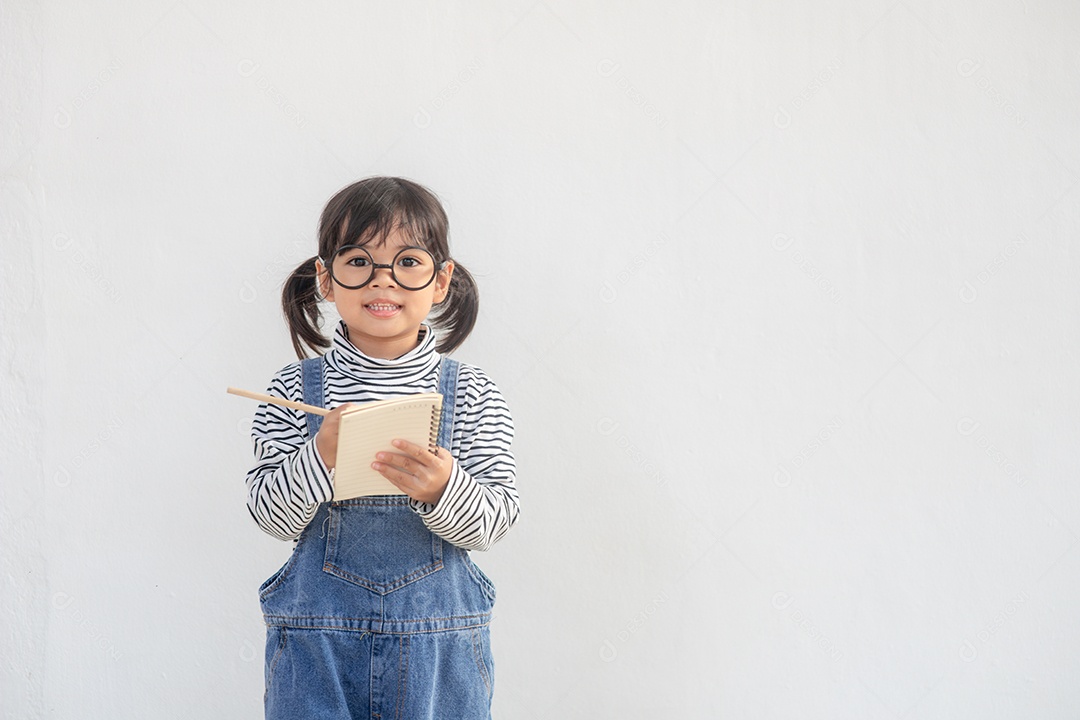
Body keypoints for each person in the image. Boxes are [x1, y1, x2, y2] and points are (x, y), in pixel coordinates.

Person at [245, 177, 519, 719]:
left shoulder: (473, 393)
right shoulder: (293, 390)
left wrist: (446, 490)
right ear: (326, 278)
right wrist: (319, 456)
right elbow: (268, 516)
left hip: (440, 654)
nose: (383, 281)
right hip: (318, 650)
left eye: (408, 262)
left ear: (441, 280)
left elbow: (498, 520)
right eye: (359, 262)